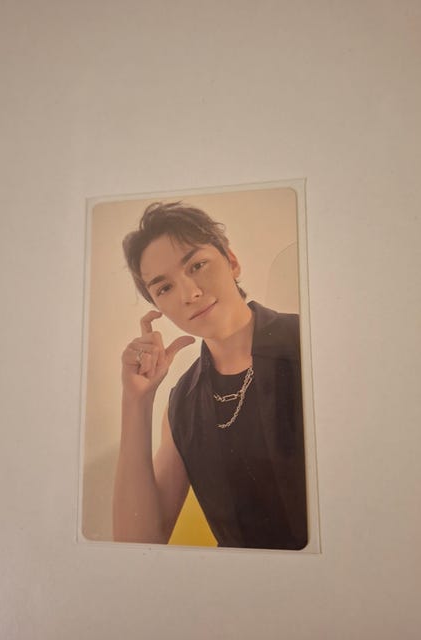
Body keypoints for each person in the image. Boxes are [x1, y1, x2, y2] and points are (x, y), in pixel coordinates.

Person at [113, 201, 307, 550]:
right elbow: (137, 543)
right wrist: (136, 400)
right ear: (158, 307)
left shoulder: (307, 342)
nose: (190, 294)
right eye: (164, 288)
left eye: (197, 265)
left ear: (231, 261)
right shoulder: (183, 403)